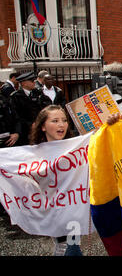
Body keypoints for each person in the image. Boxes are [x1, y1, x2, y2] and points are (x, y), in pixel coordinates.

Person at [29, 105, 83, 256]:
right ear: (43, 127)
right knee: (63, 247)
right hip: (52, 211)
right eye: (55, 120)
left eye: (64, 120)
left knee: (71, 248)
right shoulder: (33, 155)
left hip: (73, 212)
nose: (61, 124)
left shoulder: (75, 148)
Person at [9, 72, 44, 146]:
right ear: (23, 83)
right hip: (25, 132)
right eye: (31, 81)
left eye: (34, 80)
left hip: (39, 129)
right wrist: (30, 124)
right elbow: (16, 116)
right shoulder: (16, 96)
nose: (34, 82)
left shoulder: (38, 93)